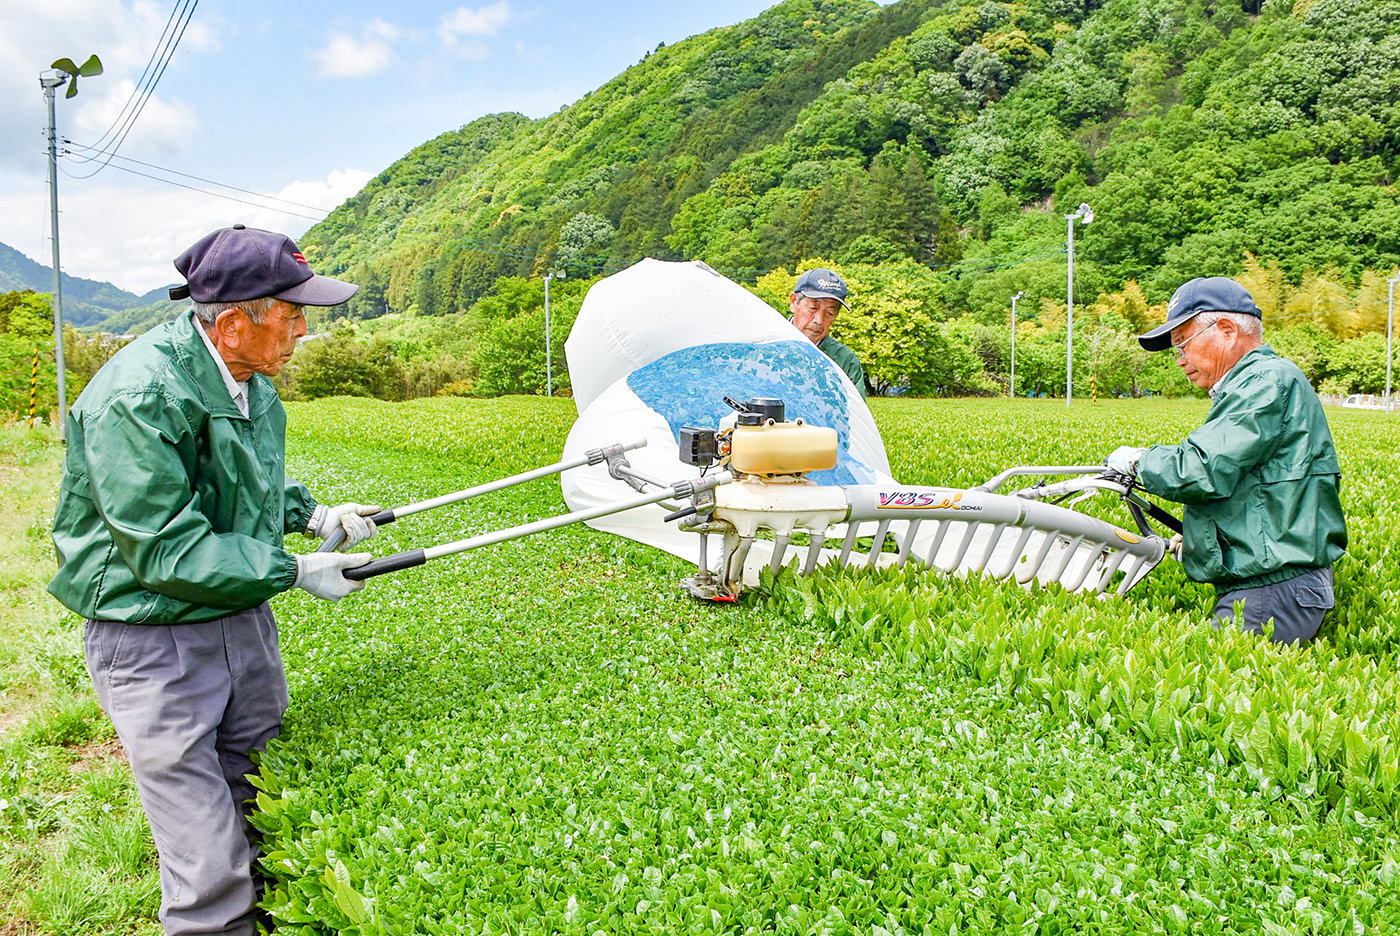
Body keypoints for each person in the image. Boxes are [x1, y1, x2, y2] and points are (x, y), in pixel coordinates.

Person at [48, 224, 382, 935]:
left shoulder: (250, 380)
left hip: (239, 619)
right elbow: (165, 551)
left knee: (259, 794)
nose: (300, 335)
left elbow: (249, 479)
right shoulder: (137, 397)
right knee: (207, 861)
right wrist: (292, 569)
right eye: (291, 319)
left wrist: (311, 511)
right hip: (154, 636)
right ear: (233, 324)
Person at [1104, 276, 1347, 644]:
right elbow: (1254, 491)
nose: (1180, 360)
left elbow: (1201, 470)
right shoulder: (1259, 383)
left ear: (1227, 329)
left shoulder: (1266, 381)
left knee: (1213, 692)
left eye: (1182, 344)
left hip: (1271, 591)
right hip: (1271, 586)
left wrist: (1137, 461)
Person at [788, 267, 866, 396]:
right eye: (813, 307)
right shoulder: (764, 346)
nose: (819, 320)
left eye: (829, 313)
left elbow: (856, 413)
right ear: (793, 302)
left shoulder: (845, 361)